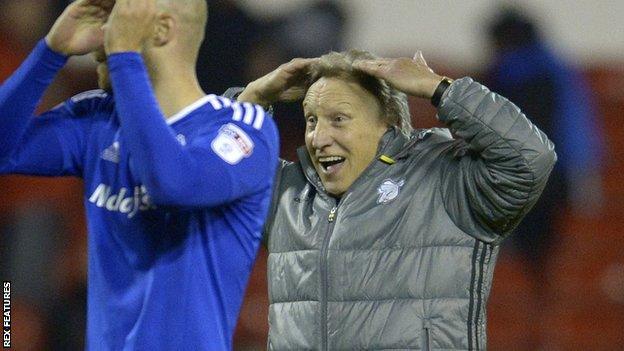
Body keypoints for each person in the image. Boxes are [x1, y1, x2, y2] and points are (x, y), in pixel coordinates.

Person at [0, 0, 279, 349]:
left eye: (115, 22)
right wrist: (50, 52)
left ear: (162, 30)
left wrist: (124, 59)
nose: (101, 36)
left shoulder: (240, 128)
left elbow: (173, 183)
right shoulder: (98, 119)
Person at [235, 50, 556, 350]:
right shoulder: (288, 194)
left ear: (387, 122)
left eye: (338, 119)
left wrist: (439, 88)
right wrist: (250, 99)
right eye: (312, 120)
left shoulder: (446, 178)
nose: (318, 138)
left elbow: (529, 158)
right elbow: (203, 174)